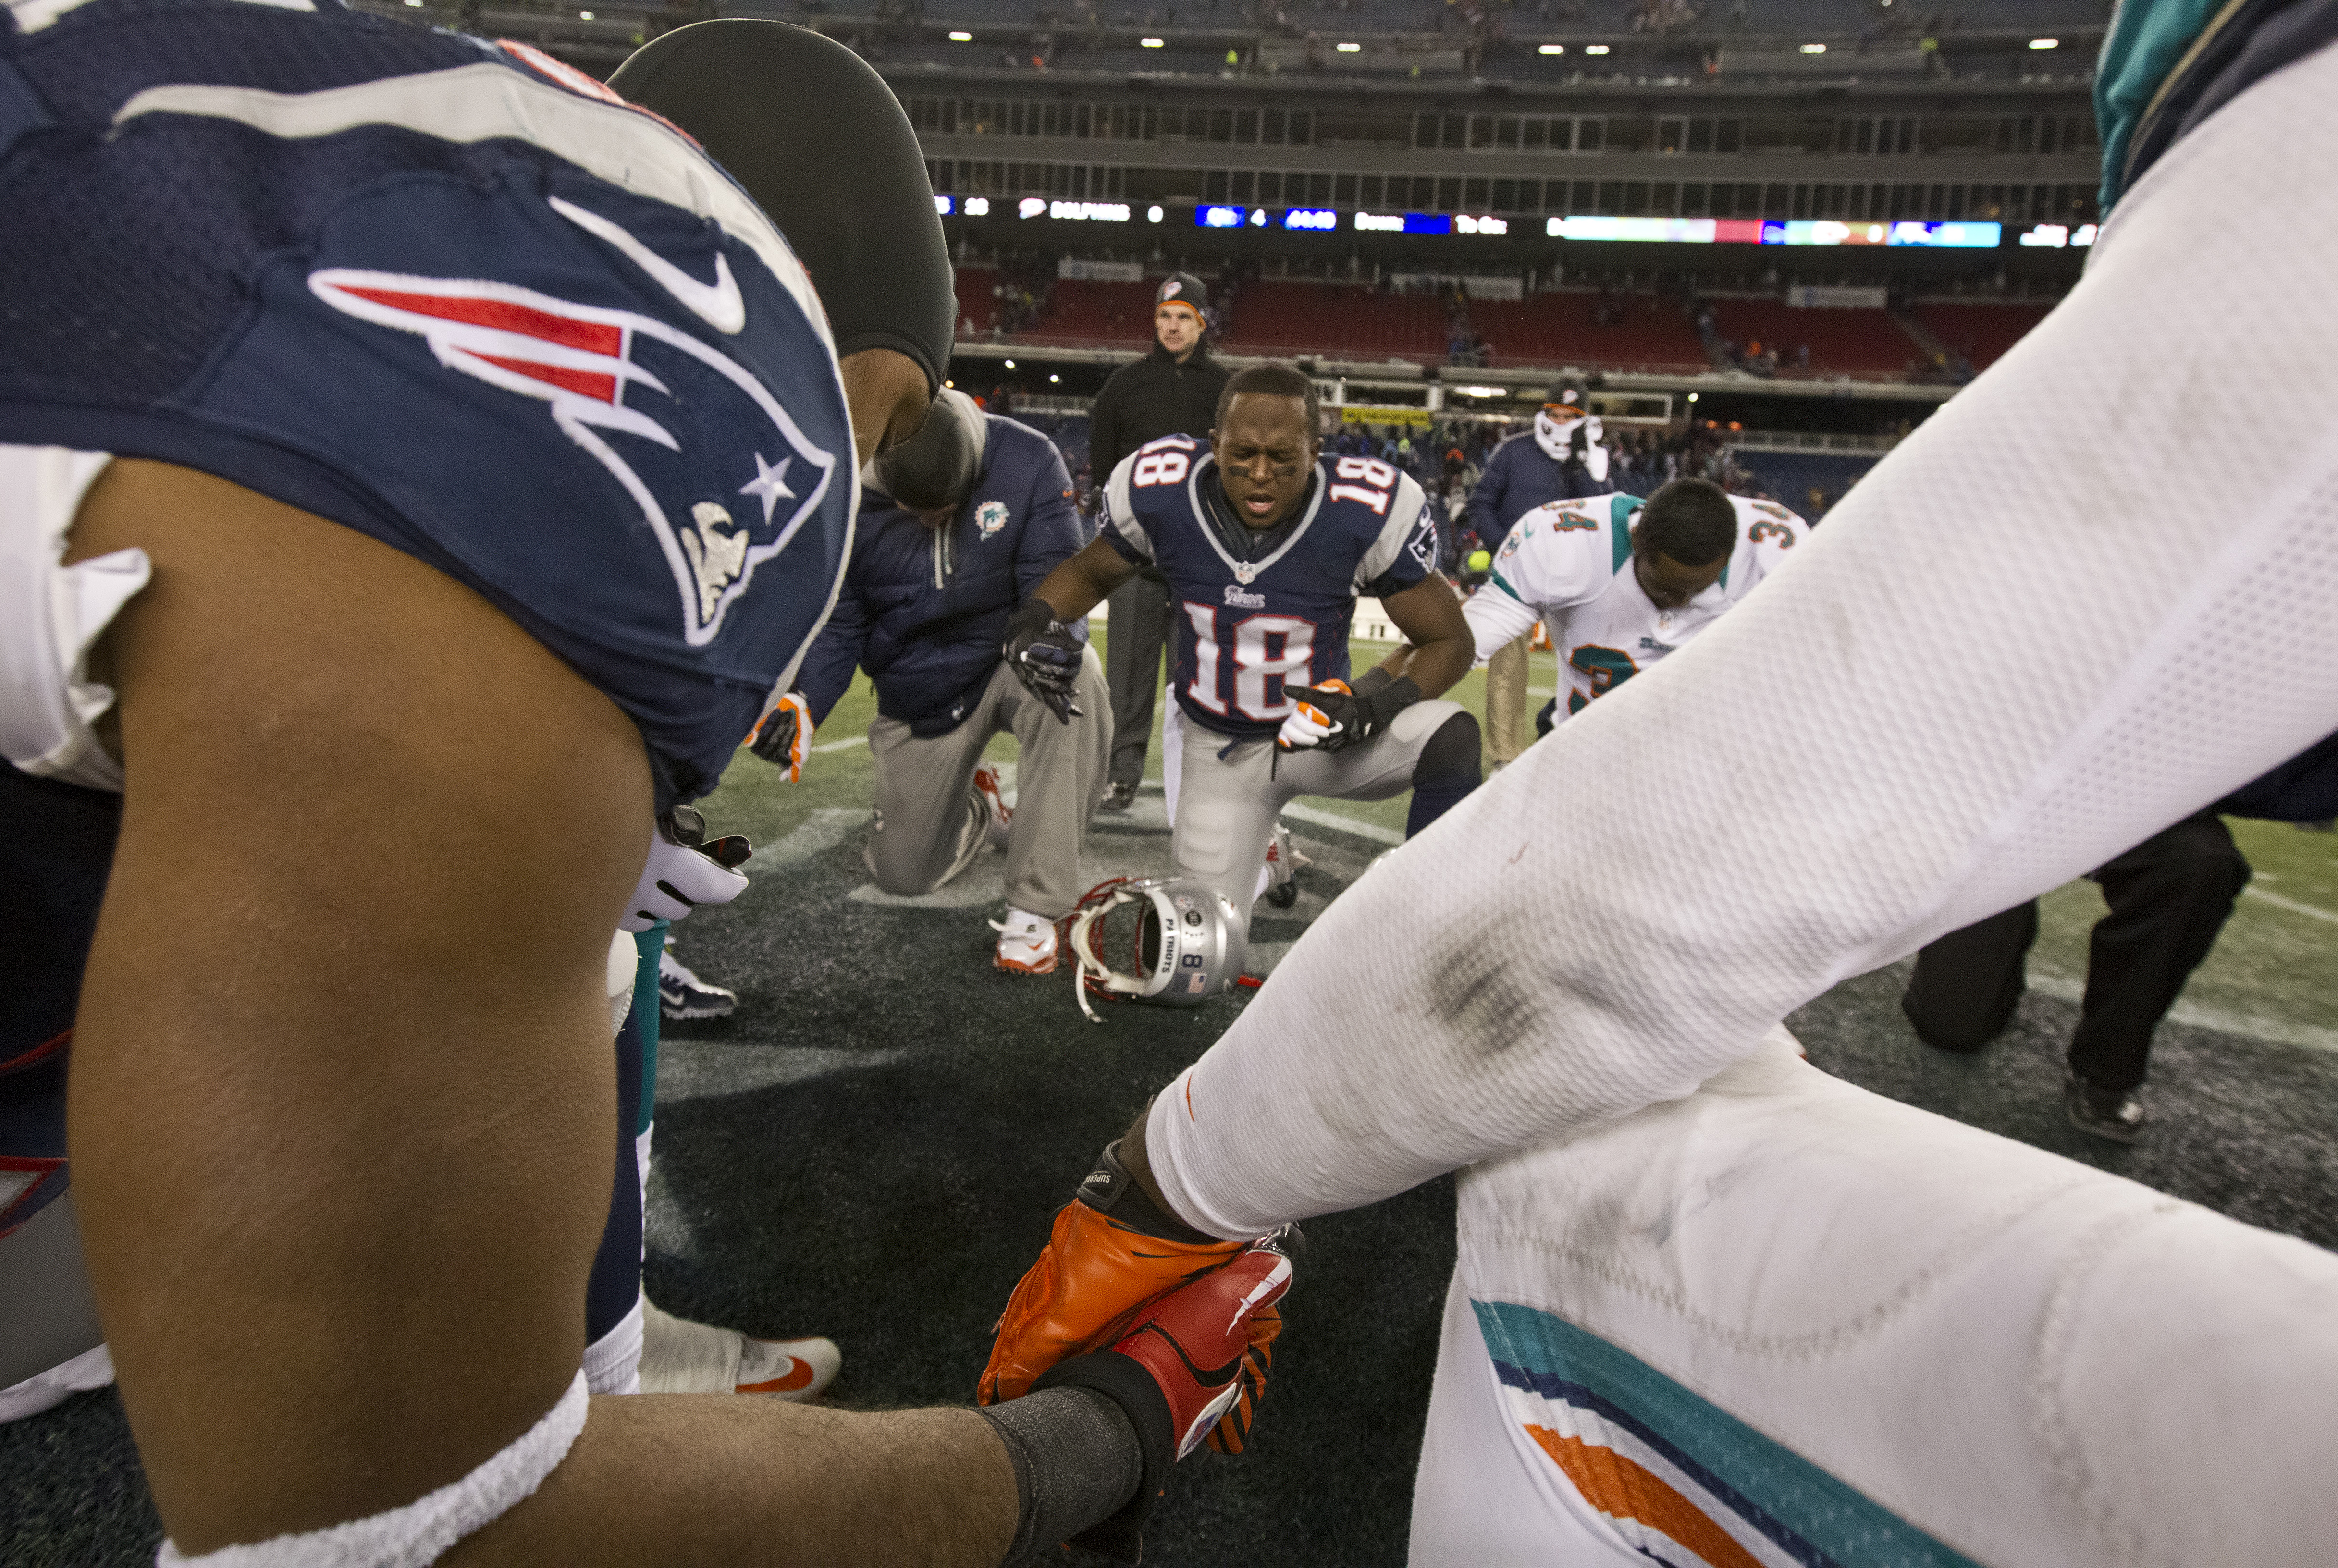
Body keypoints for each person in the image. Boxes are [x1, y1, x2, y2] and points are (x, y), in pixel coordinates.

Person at [976, 11, 2338, 1560]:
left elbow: (1562, 935)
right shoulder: (1548, 545)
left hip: (1514, 800)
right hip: (1289, 735)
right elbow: (1487, 656)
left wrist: (1175, 1176)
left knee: (1576, 1161)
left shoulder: (2275, 246)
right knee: (1811, 1021)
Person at [0, 12, 1281, 1564]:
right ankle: (603, 1361)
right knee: (575, 991)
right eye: (872, 438)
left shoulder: (286, 128)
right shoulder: (682, 323)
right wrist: (1099, 1436)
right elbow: (426, 1541)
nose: (858, 475)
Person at [1009, 363, 1480, 951]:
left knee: (1451, 738)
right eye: (1244, 455)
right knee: (1191, 962)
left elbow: (1451, 641)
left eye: (1284, 459)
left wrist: (1379, 705)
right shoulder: (1162, 493)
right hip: (1219, 755)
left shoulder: (1362, 510)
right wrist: (1033, 620)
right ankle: (1267, 857)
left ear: (1316, 453)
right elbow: (1089, 570)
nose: (1261, 475)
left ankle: (1433, 923)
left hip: (1322, 735)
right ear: (1214, 446)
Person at [776, 388, 1110, 974]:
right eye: (916, 508)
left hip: (1007, 660)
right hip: (923, 688)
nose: (933, 518)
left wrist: (1050, 640)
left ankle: (1035, 908)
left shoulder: (1028, 460)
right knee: (903, 877)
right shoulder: (849, 492)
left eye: (947, 505)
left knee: (1076, 677)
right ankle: (978, 809)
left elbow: (1061, 581)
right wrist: (804, 701)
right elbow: (840, 624)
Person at [1903, 728, 2338, 1142]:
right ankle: (1992, 977)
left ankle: (2107, 1069)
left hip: (2146, 804)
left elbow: (2270, 779)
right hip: (2025, 791)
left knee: (2200, 863)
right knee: (1950, 1027)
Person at [1455, 478, 1805, 733]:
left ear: (1731, 555)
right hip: (1585, 753)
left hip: (1707, 762)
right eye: (1667, 589)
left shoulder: (1774, 553)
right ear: (1636, 540)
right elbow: (1459, 644)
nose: (1680, 603)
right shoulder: (1565, 546)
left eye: (1696, 590)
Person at [1084, 272, 1231, 812]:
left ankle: (1194, 779)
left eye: (1183, 318)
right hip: (1135, 557)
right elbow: (1104, 470)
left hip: (1201, 561)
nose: (1173, 327)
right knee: (1125, 673)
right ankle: (1120, 775)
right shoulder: (1123, 386)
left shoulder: (1223, 389)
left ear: (1201, 322)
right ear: (1156, 321)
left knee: (1196, 678)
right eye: (1165, 317)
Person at [1457, 381, 1613, 769]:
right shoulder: (1514, 451)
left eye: (1570, 417)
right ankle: (1504, 760)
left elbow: (1602, 511)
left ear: (1584, 420)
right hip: (1519, 576)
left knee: (1587, 662)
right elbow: (1481, 502)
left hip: (1577, 576)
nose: (1560, 422)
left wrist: (1579, 467)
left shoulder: (1593, 457)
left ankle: (1563, 743)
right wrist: (1506, 548)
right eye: (1555, 414)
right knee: (1507, 668)